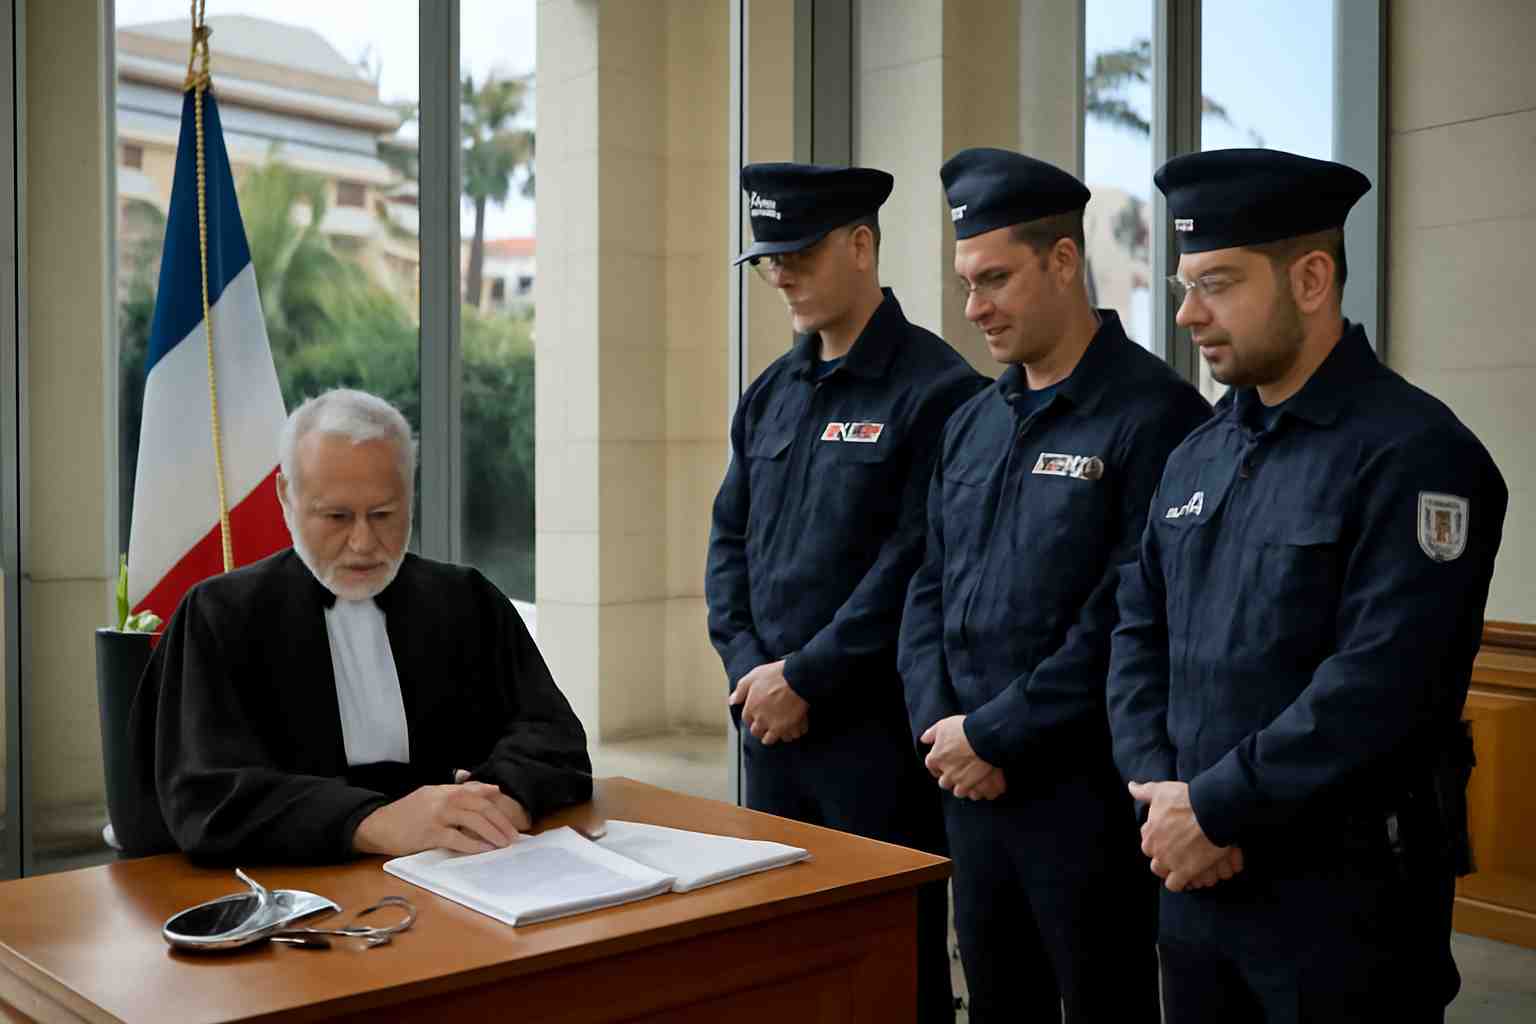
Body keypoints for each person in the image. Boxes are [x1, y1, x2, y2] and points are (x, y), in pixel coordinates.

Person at [1108, 148, 1507, 1021]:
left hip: (1343, 906)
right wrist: (1162, 796)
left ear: (1313, 277)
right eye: (1183, 284)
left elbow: (1382, 686)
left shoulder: (1414, 455)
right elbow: (1137, 628)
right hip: (1193, 880)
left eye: (1215, 283)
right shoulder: (1197, 453)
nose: (1186, 314)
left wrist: (1214, 809)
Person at [898, 147, 1209, 1023]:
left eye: (994, 278)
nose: (973, 308)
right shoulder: (972, 424)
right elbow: (929, 583)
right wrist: (944, 731)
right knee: (999, 1003)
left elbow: (1126, 616)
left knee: (1104, 1002)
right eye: (965, 282)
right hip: (967, 784)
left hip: (1082, 800)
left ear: (1064, 261)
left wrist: (997, 735)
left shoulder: (1156, 416)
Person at [706, 162, 986, 1023]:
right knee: (783, 960)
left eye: (797, 251)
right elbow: (728, 544)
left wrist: (807, 678)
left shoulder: (938, 392)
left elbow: (913, 566)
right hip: (770, 729)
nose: (779, 272)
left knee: (888, 965)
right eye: (768, 257)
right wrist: (753, 671)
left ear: (862, 246)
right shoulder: (771, 394)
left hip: (871, 739)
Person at [123, 388, 592, 862]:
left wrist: (502, 801)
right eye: (337, 517)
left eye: (384, 514)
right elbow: (206, 795)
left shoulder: (467, 600)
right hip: (294, 895)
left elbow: (554, 738)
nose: (364, 542)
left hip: (470, 875)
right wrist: (372, 823)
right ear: (286, 496)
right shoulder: (217, 616)